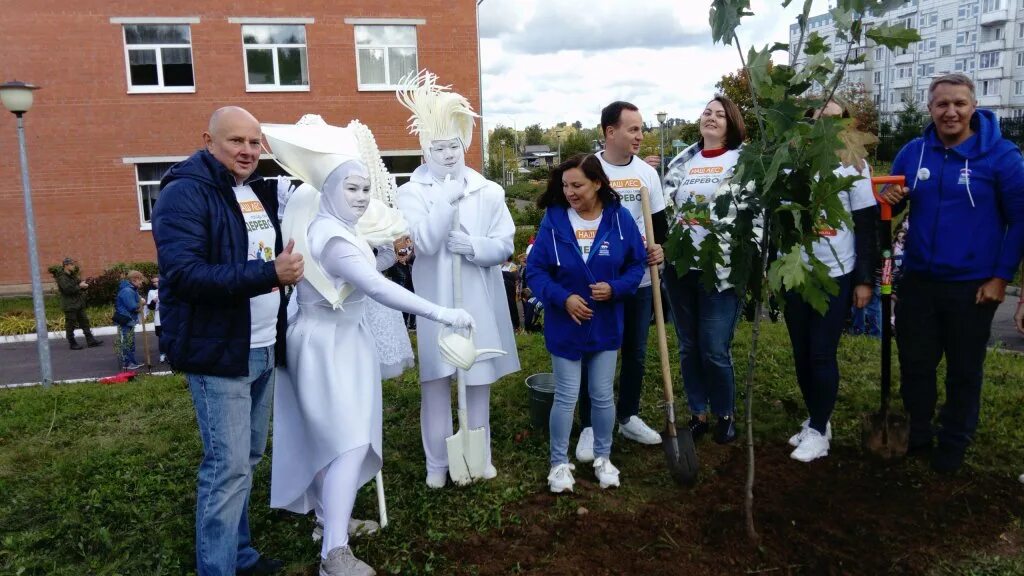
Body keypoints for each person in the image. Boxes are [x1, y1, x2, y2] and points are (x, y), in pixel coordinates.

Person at [263, 117, 473, 575]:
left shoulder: (336, 227)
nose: (361, 197)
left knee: (335, 443)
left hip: (339, 342)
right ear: (330, 189)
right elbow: (376, 289)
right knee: (349, 445)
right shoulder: (335, 236)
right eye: (351, 189)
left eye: (364, 189)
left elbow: (362, 267)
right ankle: (333, 555)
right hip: (328, 347)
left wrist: (381, 255)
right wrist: (442, 313)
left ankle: (330, 523)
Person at [152, 106, 304, 576]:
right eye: (236, 141)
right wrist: (269, 274)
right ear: (208, 140)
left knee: (247, 460)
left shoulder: (247, 191)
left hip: (259, 345)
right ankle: (216, 568)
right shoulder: (185, 194)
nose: (247, 151)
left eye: (255, 142)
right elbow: (185, 275)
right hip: (219, 352)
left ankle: (239, 556)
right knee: (226, 467)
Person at [880, 73, 1024, 474]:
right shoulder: (914, 152)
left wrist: (1000, 277)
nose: (951, 112)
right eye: (942, 104)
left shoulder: (1002, 157)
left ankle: (953, 442)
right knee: (916, 364)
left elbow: (1020, 220)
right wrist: (888, 196)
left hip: (972, 286)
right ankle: (920, 432)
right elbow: (890, 195)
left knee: (964, 369)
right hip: (920, 281)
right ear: (930, 109)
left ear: (973, 106)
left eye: (959, 103)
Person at [395, 71, 521, 488]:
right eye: (438, 148)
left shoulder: (488, 191)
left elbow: (505, 243)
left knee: (478, 378)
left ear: (463, 145)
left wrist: (476, 246)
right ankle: (436, 462)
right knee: (436, 381)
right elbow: (425, 243)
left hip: (477, 300)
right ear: (424, 149)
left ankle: (478, 455)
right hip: (435, 302)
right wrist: (444, 205)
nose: (447, 155)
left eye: (453, 146)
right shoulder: (413, 192)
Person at [526, 154, 646, 493]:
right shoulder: (554, 221)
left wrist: (617, 288)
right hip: (566, 325)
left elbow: (636, 265)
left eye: (577, 185)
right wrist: (563, 298)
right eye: (564, 185)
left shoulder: (620, 220)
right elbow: (535, 271)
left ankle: (603, 458)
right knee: (566, 396)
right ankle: (559, 464)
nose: (569, 192)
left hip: (606, 324)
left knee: (602, 395)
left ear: (597, 183)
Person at [781, 100, 878, 462]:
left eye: (835, 120)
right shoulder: (794, 162)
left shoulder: (854, 164)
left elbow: (866, 225)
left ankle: (820, 432)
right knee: (802, 354)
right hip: (795, 272)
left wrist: (864, 280)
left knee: (822, 352)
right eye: (820, 120)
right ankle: (817, 418)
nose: (827, 126)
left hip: (835, 272)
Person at [575, 101, 667, 462]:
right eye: (633, 129)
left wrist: (660, 250)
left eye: (641, 129)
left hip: (640, 280)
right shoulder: (590, 171)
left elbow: (658, 226)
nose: (640, 136)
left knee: (636, 352)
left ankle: (627, 416)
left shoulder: (647, 174)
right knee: (594, 350)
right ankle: (588, 425)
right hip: (598, 282)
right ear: (609, 132)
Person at [662, 95, 750, 444]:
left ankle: (724, 413)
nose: (711, 118)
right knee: (688, 345)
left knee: (714, 347)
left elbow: (753, 216)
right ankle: (698, 412)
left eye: (720, 114)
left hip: (722, 268)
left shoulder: (743, 162)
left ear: (731, 124)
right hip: (682, 268)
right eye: (707, 112)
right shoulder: (683, 161)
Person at [54, 257, 102, 349]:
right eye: (72, 264)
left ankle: (90, 340)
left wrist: (85, 284)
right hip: (69, 305)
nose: (74, 266)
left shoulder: (72, 275)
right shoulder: (62, 277)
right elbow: (67, 289)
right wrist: (80, 286)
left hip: (78, 303)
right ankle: (72, 342)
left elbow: (78, 284)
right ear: (66, 265)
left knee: (84, 321)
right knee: (71, 324)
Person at [114, 270, 145, 370]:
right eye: (140, 280)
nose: (141, 282)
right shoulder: (128, 291)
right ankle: (127, 363)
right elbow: (133, 307)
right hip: (126, 319)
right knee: (128, 341)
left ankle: (132, 361)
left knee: (130, 341)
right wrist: (142, 303)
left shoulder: (131, 289)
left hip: (129, 319)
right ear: (134, 280)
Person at [145, 275, 166, 363]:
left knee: (170, 336)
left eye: (157, 281)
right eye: (154, 282)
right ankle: (162, 354)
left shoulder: (167, 289)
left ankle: (171, 353)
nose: (156, 283)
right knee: (161, 337)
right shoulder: (151, 292)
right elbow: (150, 307)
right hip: (158, 318)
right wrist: (154, 301)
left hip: (169, 316)